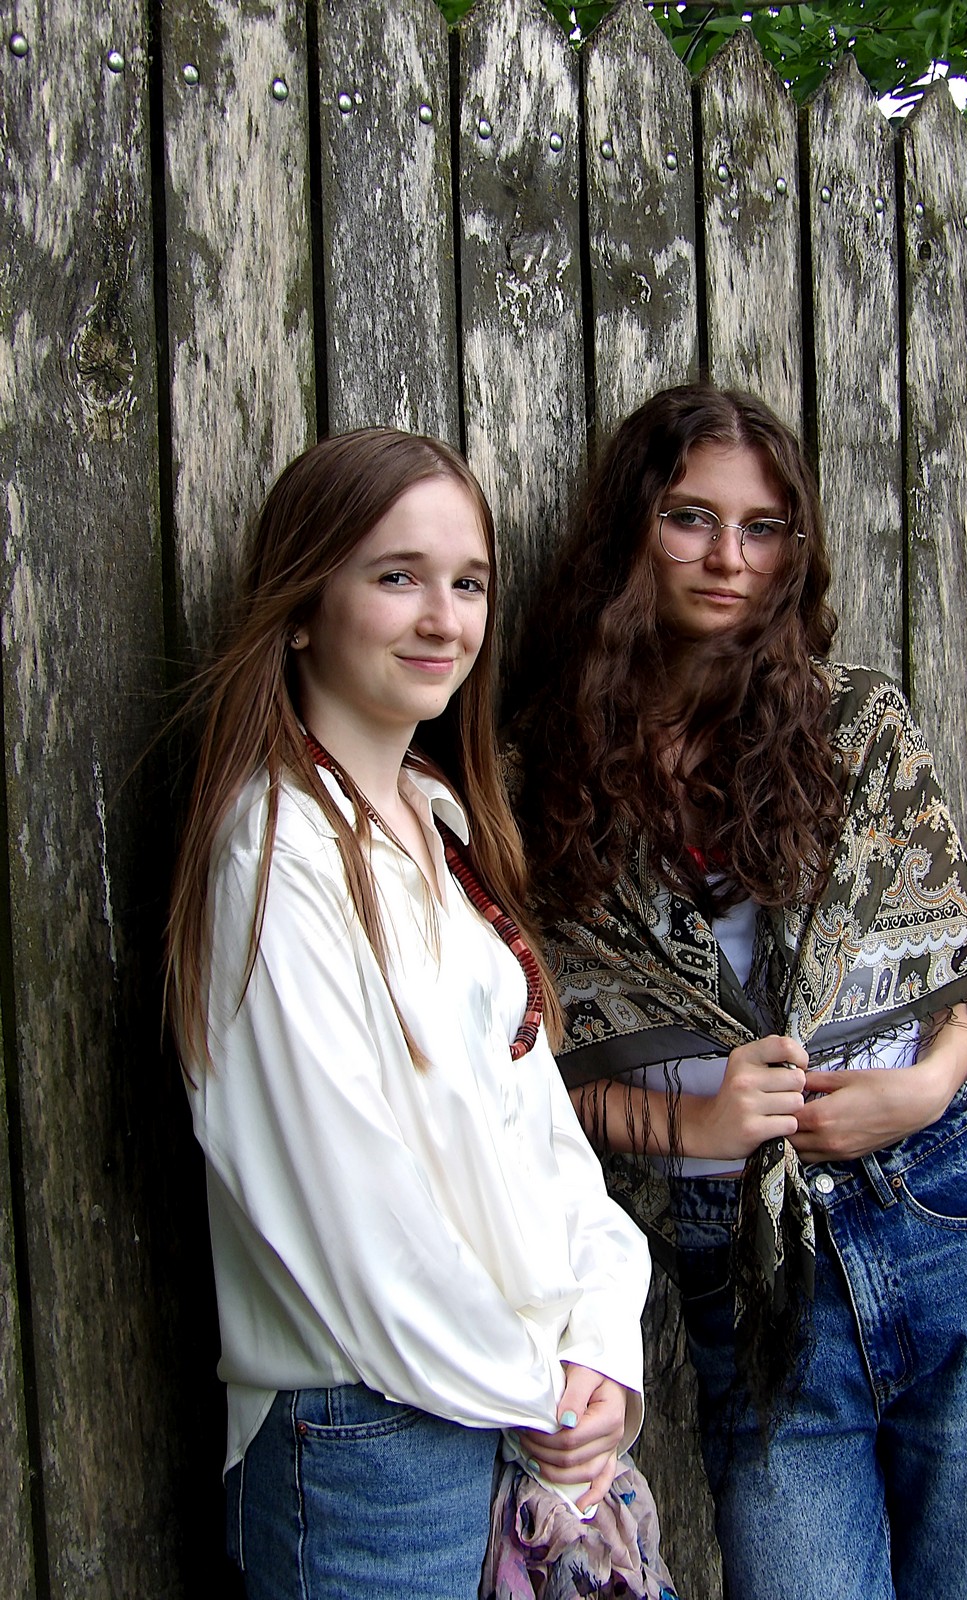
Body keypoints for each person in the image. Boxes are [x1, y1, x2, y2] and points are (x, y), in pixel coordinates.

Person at [511, 384, 967, 1600]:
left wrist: (924, 1089)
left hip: (943, 1210)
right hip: (747, 1266)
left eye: (763, 528)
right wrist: (695, 1125)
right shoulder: (545, 774)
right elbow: (535, 1068)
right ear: (628, 530)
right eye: (690, 518)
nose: (730, 557)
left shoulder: (856, 724)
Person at [165, 428, 670, 1599]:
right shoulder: (274, 853)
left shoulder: (438, 825)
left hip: (518, 1406)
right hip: (371, 1444)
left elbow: (544, 1143)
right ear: (302, 607)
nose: (445, 618)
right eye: (398, 576)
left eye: (469, 582)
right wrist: (539, 1386)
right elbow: (353, 1214)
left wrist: (601, 1346)